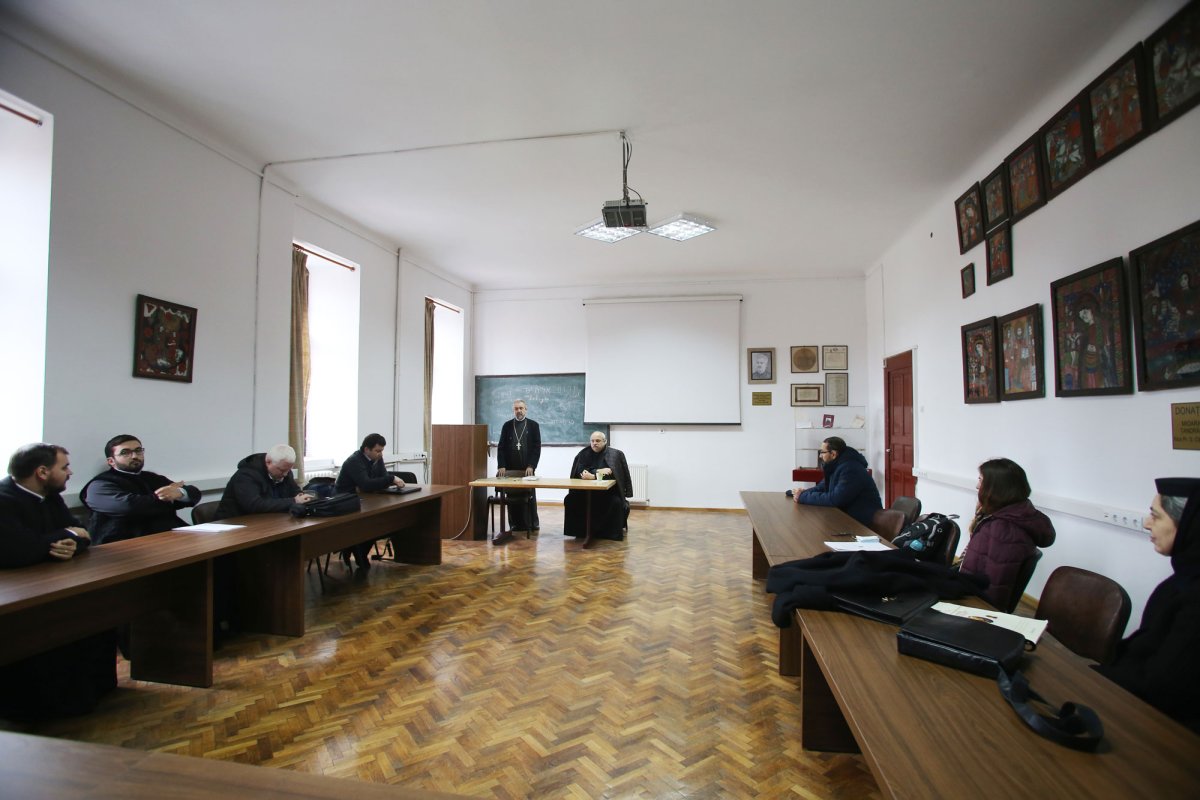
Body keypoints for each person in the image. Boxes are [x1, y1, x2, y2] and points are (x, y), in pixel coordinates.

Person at [0, 443, 117, 720]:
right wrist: (62, 537)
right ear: (42, 471)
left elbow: (82, 535)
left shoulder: (48, 495)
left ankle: (91, 692)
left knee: (94, 613)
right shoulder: (4, 500)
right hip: (18, 591)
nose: (70, 472)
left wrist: (67, 541)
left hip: (53, 579)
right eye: (64, 467)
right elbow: (18, 551)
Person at [1096, 478, 1200, 734]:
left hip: (1159, 730)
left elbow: (1160, 687)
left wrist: (1088, 677)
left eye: (1156, 516)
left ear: (1188, 525)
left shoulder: (1193, 598)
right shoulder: (1183, 579)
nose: (1146, 523)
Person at [958, 458, 1056, 610]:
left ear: (997, 488)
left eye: (981, 480)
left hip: (975, 606)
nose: (977, 486)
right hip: (968, 591)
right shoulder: (1002, 516)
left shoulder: (1005, 530)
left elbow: (995, 589)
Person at [80, 434, 201, 544]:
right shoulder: (100, 485)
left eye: (138, 451)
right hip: (124, 545)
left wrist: (179, 493)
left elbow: (194, 493)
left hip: (166, 537)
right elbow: (129, 507)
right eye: (125, 453)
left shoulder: (152, 478)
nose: (134, 456)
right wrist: (169, 498)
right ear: (111, 461)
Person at [335, 433, 406, 573]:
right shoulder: (354, 461)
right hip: (346, 502)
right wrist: (388, 480)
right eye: (377, 451)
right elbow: (367, 484)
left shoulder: (376, 459)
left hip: (366, 499)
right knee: (371, 524)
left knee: (381, 522)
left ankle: (356, 548)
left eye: (382, 451)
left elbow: (381, 478)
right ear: (366, 449)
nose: (380, 454)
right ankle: (355, 547)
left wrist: (382, 481)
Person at [794, 436, 882, 526]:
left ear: (833, 454)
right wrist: (801, 493)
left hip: (862, 523)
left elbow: (835, 499)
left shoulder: (850, 469)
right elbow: (822, 487)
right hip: (847, 518)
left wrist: (803, 497)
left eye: (822, 452)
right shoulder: (836, 465)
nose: (820, 456)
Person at [564, 431, 631, 546]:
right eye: (592, 441)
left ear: (605, 442)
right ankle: (581, 532)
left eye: (598, 441)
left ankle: (608, 534)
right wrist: (598, 472)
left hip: (608, 493)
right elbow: (581, 472)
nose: (594, 443)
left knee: (616, 502)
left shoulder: (615, 454)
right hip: (585, 493)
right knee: (570, 499)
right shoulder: (583, 454)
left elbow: (615, 474)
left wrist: (593, 475)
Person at [215, 444, 311, 519]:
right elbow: (254, 505)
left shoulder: (284, 470)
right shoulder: (246, 475)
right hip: (233, 524)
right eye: (282, 470)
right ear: (268, 462)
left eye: (288, 470)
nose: (285, 474)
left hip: (267, 521)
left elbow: (294, 492)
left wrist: (303, 498)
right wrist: (294, 501)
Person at [496, 399, 541, 539]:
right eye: (516, 408)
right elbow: (501, 446)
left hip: (527, 468)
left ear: (526, 409)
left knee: (529, 495)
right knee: (512, 495)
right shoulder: (507, 425)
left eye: (521, 408)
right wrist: (501, 465)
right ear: (513, 410)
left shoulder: (533, 425)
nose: (519, 411)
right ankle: (514, 524)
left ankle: (532, 523)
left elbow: (537, 447)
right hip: (510, 468)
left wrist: (531, 465)